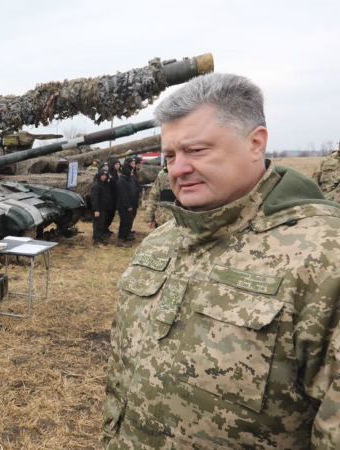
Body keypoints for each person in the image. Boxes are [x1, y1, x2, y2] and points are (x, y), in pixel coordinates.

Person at [103, 73, 340, 448]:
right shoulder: (164, 239)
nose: (177, 170)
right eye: (170, 155)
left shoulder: (325, 256)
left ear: (255, 143)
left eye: (196, 151)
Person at [144, 164, 176, 228]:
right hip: (163, 220)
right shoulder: (163, 174)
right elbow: (153, 197)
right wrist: (149, 218)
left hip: (184, 222)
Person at [114, 162, 136, 247]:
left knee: (128, 221)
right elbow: (123, 195)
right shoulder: (121, 181)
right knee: (125, 222)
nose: (132, 172)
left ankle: (125, 236)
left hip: (129, 204)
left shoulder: (127, 179)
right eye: (130, 170)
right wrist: (128, 206)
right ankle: (121, 239)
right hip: (124, 206)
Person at [89, 168, 110, 245]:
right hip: (98, 208)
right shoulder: (96, 185)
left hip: (103, 208)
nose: (104, 177)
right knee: (97, 224)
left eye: (105, 175)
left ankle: (100, 237)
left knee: (101, 224)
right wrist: (96, 210)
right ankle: (96, 239)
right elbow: (94, 199)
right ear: (99, 176)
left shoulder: (104, 184)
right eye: (102, 175)